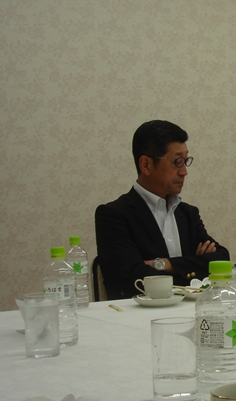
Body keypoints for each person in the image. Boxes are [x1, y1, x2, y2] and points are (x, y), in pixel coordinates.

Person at [95, 120, 229, 299]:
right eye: (177, 162)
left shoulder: (187, 213)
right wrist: (192, 268)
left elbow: (221, 259)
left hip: (189, 309)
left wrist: (163, 264)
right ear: (146, 165)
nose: (184, 172)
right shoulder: (114, 215)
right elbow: (131, 278)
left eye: (185, 161)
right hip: (137, 313)